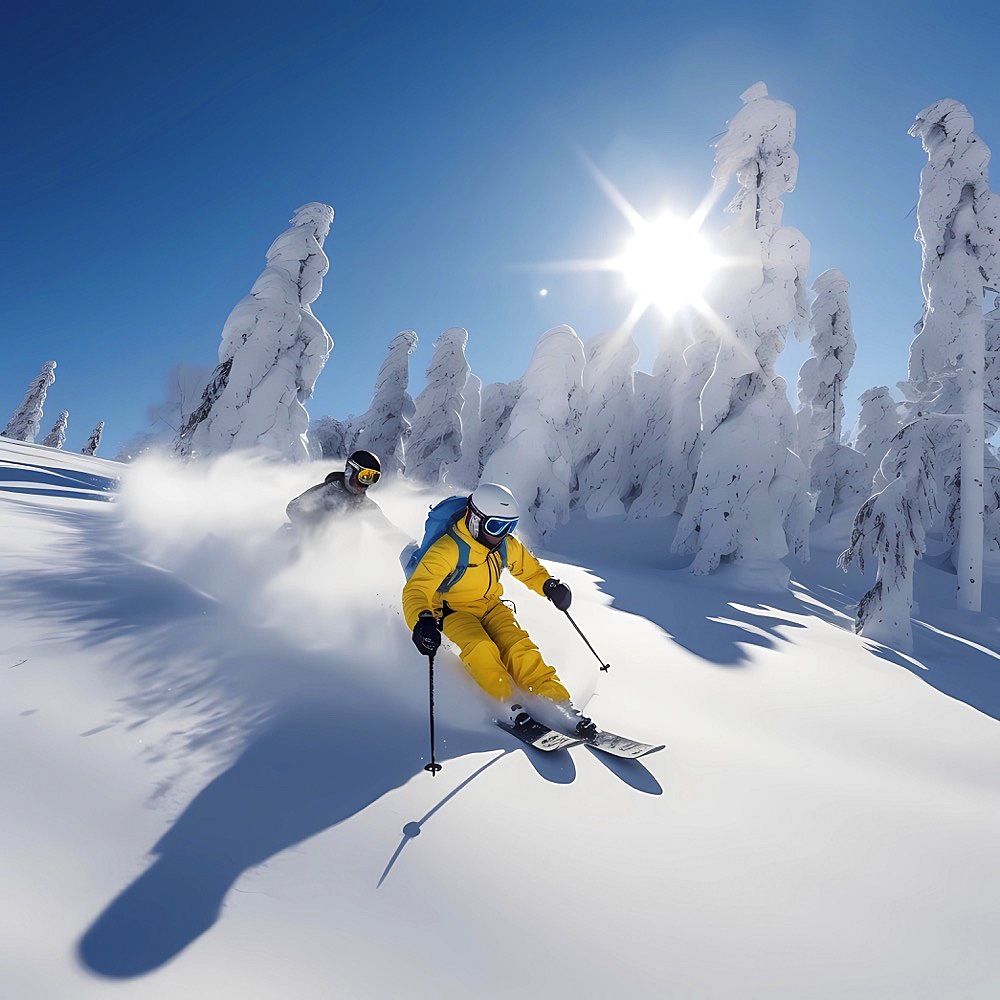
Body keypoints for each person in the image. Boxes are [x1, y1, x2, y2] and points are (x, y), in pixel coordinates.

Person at [401, 482, 596, 739]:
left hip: (491, 606)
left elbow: (528, 569)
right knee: (480, 648)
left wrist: (548, 585)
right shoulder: (448, 549)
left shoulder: (504, 545)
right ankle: (509, 704)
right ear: (474, 518)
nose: (501, 534)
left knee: (520, 647)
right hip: (453, 611)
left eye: (509, 527)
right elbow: (417, 590)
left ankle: (560, 704)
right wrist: (422, 621)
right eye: (495, 526)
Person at [285, 449, 385, 534]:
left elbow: (386, 528)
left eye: (373, 478)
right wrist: (312, 528)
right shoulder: (330, 490)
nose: (366, 484)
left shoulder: (364, 503)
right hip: (308, 545)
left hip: (341, 551)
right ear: (351, 472)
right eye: (364, 477)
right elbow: (293, 507)